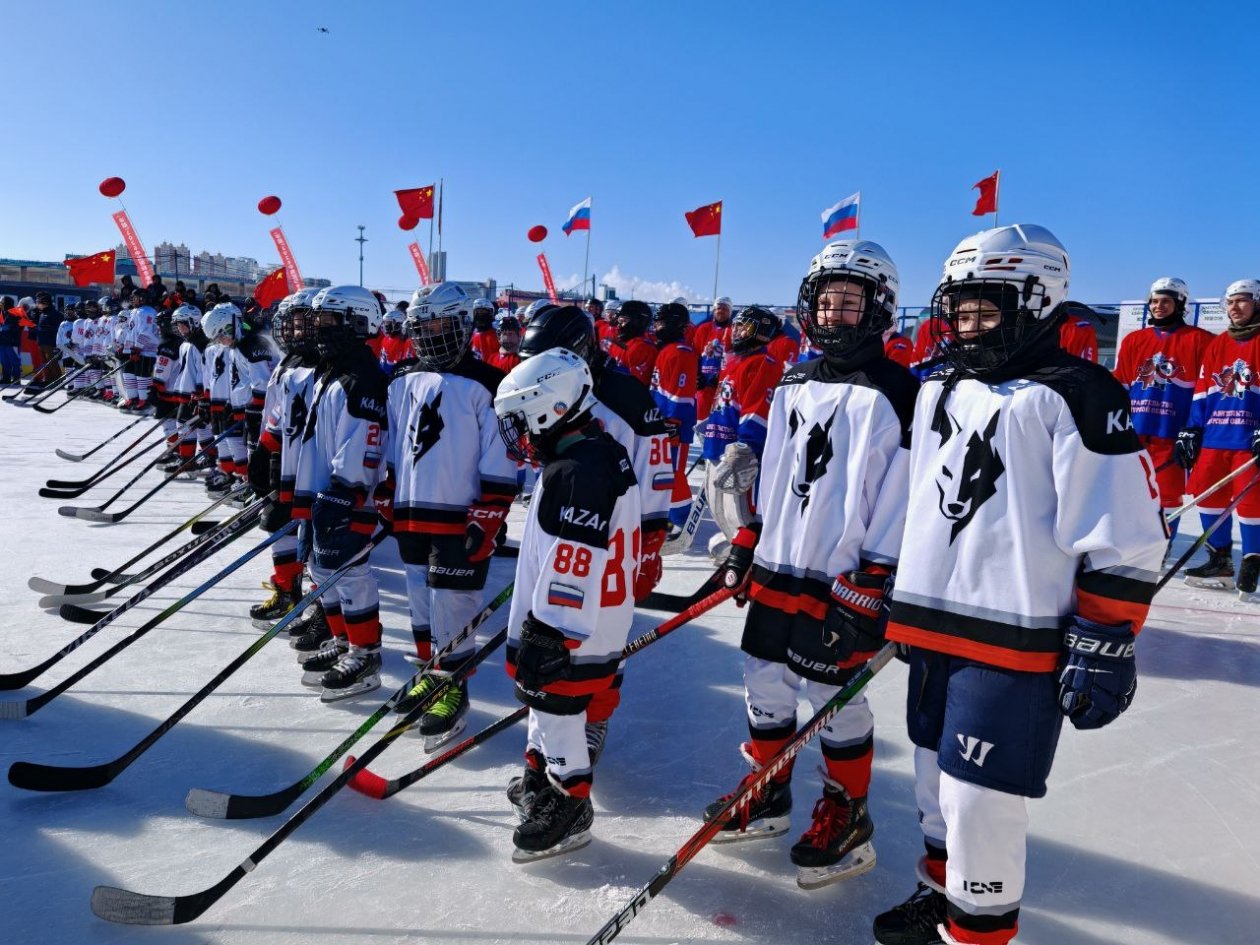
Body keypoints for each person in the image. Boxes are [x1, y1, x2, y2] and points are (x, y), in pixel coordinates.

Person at [873, 224, 1166, 945]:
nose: (967, 326)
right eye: (960, 310)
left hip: (1015, 640)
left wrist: (1105, 634)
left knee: (981, 803)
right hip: (933, 628)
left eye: (986, 310)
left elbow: (1126, 529)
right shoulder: (940, 385)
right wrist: (891, 585)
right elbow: (917, 503)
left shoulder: (1079, 393)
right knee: (934, 785)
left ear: (1036, 302)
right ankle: (942, 898)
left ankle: (977, 932)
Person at [701, 240, 917, 891]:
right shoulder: (793, 381)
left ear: (878, 307)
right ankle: (767, 791)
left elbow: (902, 495)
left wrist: (877, 575)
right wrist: (750, 537)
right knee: (764, 679)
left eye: (849, 302)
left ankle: (847, 812)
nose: (834, 313)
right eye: (825, 301)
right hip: (780, 563)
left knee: (833, 695)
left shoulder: (901, 391)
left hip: (842, 575)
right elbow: (778, 473)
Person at [494, 348, 640, 861]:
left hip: (576, 623)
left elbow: (576, 561)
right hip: (586, 616)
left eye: (520, 417)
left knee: (556, 704)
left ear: (549, 408)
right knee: (542, 701)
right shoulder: (593, 450)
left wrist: (552, 630)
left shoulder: (579, 471)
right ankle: (540, 776)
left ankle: (569, 800)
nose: (516, 430)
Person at [517, 304, 673, 760]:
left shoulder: (626, 396)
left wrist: (649, 544)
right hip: (563, 528)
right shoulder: (545, 386)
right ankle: (548, 731)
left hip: (613, 537)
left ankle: (596, 714)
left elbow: (656, 471)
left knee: (605, 631)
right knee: (546, 628)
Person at [380, 281, 517, 747]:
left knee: (452, 602)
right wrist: (387, 487)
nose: (430, 334)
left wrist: (493, 508)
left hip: (461, 512)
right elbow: (395, 442)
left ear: (461, 325)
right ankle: (430, 672)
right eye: (422, 327)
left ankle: (452, 686)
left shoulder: (489, 383)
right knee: (420, 596)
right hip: (412, 508)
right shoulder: (401, 380)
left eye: (440, 325)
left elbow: (501, 452)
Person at [289, 285, 389, 702]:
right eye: (319, 321)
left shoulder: (361, 377)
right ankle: (344, 639)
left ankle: (365, 654)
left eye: (330, 321)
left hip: (347, 496)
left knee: (350, 573)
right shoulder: (331, 371)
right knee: (322, 569)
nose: (320, 329)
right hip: (322, 492)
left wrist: (345, 490)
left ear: (358, 323)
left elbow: (367, 441)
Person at [1175, 279, 1260, 600]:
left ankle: (1252, 561)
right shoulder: (1218, 343)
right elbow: (1203, 391)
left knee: (1251, 503)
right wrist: (1192, 429)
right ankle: (1220, 561)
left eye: (1242, 300)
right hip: (1214, 437)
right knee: (1206, 495)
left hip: (1248, 439)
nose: (1235, 307)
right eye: (1231, 302)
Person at [1113, 278, 1211, 540]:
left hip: (1172, 433)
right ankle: (1132, 544)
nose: (1158, 306)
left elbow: (1206, 390)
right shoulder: (1134, 340)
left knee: (1168, 495)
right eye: (1154, 301)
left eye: (1165, 301)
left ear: (1180, 304)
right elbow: (1121, 383)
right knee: (1128, 492)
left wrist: (1195, 428)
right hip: (1135, 431)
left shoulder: (1201, 340)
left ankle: (1163, 545)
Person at [249, 289, 322, 625]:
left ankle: (323, 607)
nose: (293, 330)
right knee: (278, 522)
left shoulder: (323, 365)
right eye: (291, 323)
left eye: (301, 323)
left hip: (312, 466)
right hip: (285, 458)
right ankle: (287, 589)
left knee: (316, 539)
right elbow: (278, 411)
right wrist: (264, 450)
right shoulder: (290, 360)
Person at [700, 305, 783, 557]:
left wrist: (746, 447)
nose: (736, 332)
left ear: (761, 332)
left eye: (743, 327)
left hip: (737, 454)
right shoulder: (736, 362)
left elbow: (757, 409)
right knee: (720, 509)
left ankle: (750, 554)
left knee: (740, 513)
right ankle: (734, 548)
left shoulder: (763, 363)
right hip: (717, 447)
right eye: (735, 326)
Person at [649, 302, 699, 534]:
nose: (656, 327)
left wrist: (673, 423)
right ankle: (667, 515)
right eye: (656, 322)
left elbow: (682, 393)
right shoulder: (666, 349)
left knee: (674, 473)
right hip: (660, 423)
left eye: (661, 323)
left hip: (673, 427)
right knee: (662, 473)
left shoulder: (682, 352)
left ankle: (680, 520)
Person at [200, 303, 253, 495]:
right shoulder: (217, 346)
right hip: (221, 399)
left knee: (237, 441)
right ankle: (228, 472)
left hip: (234, 401)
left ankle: (240, 475)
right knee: (222, 438)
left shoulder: (240, 346)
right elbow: (210, 374)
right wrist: (205, 398)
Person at [694, 296, 734, 424]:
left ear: (730, 312)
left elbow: (735, 358)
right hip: (704, 383)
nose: (721, 311)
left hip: (723, 384)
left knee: (719, 419)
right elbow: (695, 354)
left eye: (724, 308)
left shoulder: (733, 331)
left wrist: (722, 376)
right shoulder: (703, 329)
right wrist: (697, 374)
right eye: (718, 308)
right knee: (701, 420)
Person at [606, 300, 657, 386]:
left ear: (637, 322)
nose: (618, 326)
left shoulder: (643, 349)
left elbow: (635, 386)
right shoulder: (620, 343)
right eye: (619, 321)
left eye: (623, 321)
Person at [32, 292, 65, 384]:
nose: (37, 305)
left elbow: (59, 329)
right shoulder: (42, 314)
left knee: (52, 362)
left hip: (50, 343)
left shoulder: (55, 314)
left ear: (45, 303)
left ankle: (57, 379)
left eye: (39, 303)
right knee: (44, 362)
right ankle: (48, 379)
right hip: (42, 342)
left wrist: (56, 344)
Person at [469, 297, 499, 362]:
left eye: (483, 312)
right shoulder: (471, 334)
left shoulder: (497, 335)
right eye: (478, 312)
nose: (480, 315)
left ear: (491, 313)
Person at [0, 297, 22, 384]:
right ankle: (6, 378)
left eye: (2, 302)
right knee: (4, 361)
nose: (0, 304)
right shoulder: (3, 312)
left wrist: (7, 328)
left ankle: (16, 378)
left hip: (12, 342)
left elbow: (19, 327)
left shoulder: (15, 313)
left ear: (7, 303)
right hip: (3, 341)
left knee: (15, 361)